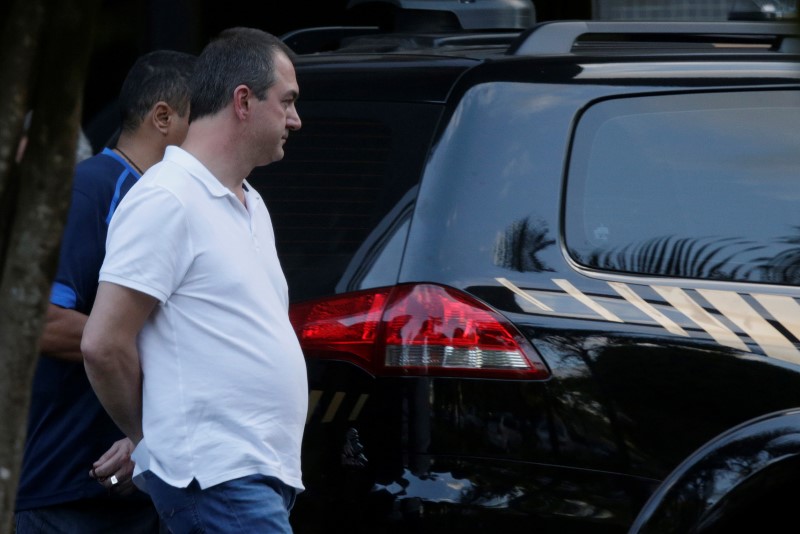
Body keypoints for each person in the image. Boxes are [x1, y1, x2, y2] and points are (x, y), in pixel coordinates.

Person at [81, 27, 307, 533]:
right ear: (243, 101)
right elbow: (102, 343)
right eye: (287, 101)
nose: (296, 119)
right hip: (217, 477)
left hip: (252, 473)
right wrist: (150, 437)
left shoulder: (250, 202)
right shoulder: (168, 198)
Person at [15, 49, 196, 534]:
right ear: (163, 117)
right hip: (67, 492)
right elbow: (39, 322)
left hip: (139, 482)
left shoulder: (172, 199)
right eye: (203, 117)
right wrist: (167, 351)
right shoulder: (91, 189)